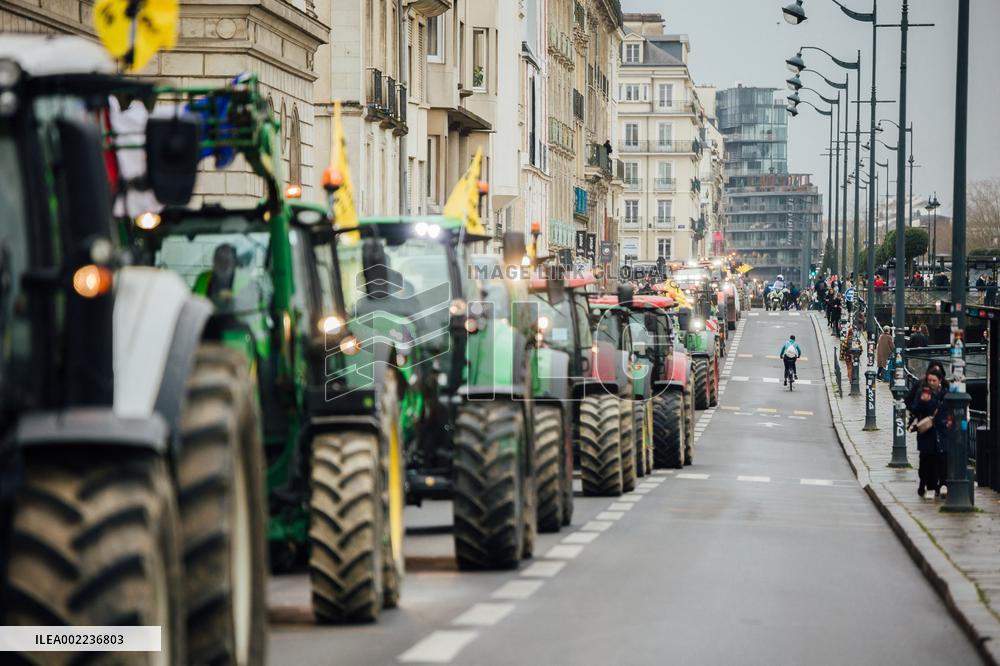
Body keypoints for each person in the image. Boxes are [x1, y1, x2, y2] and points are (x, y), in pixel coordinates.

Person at [907, 365, 949, 498]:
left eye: (934, 381)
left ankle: (942, 484)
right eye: (929, 380)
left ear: (940, 380)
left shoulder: (945, 393)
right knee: (926, 459)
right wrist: (922, 402)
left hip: (941, 431)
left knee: (941, 458)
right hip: (927, 432)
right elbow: (914, 408)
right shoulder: (923, 392)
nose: (931, 383)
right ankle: (927, 485)